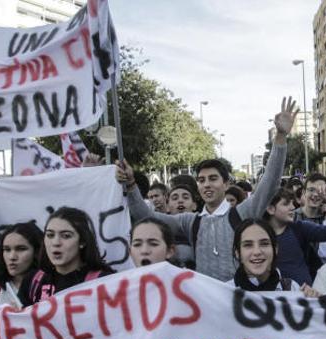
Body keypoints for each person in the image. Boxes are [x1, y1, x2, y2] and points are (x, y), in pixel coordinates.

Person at [123, 97, 294, 282]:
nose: (207, 184)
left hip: (239, 300)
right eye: (201, 180)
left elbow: (269, 183)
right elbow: (148, 218)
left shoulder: (242, 213)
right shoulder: (189, 222)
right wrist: (131, 185)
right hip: (205, 304)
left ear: (226, 184)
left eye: (213, 179)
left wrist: (281, 137)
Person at [18, 207, 113, 306]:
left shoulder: (103, 282)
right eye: (50, 235)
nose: (56, 243)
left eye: (66, 236)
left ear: (82, 241)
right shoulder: (34, 281)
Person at [265, 187, 326, 286]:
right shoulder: (258, 234)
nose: (292, 207)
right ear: (270, 209)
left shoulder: (299, 228)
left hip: (305, 295)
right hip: (274, 296)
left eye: (292, 203)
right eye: (286, 204)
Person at [229, 219, 301, 292]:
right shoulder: (224, 293)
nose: (257, 252)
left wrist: (309, 299)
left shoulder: (292, 289)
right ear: (237, 253)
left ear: (275, 249)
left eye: (264, 244)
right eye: (248, 245)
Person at [296, 173, 326, 264]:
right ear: (304, 192)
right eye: (311, 190)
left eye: (319, 191)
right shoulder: (293, 217)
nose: (315, 195)